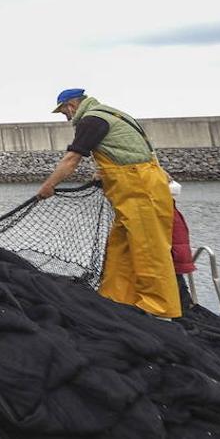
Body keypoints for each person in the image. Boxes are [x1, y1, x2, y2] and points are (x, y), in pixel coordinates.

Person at [37, 89, 181, 319]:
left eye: (63, 110)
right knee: (120, 246)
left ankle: (160, 308)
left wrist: (48, 186)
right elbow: (125, 150)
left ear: (72, 105)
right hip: (134, 187)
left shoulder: (91, 120)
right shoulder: (113, 114)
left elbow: (71, 159)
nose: (65, 116)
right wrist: (102, 172)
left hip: (140, 188)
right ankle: (117, 299)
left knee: (149, 248)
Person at [168, 179, 196, 311]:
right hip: (179, 257)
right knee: (180, 286)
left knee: (177, 285)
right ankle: (187, 307)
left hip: (173, 258)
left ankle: (184, 309)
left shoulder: (164, 213)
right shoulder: (173, 211)